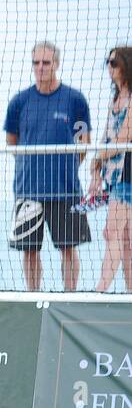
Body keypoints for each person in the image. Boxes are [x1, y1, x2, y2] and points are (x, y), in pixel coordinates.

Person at [4, 41, 91, 292]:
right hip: (28, 190)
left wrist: (65, 166)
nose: (40, 67)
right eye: (36, 63)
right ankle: (33, 297)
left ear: (57, 64)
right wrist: (32, 166)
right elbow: (12, 142)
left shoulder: (74, 100)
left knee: (68, 248)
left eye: (46, 62)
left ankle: (70, 298)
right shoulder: (19, 102)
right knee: (29, 251)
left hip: (65, 189)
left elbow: (84, 142)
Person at [90, 46, 132, 293]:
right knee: (125, 239)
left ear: (126, 65)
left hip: (128, 173)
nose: (109, 67)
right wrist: (96, 170)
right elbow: (107, 138)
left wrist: (98, 157)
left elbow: (122, 140)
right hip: (116, 174)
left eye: (114, 62)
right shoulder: (116, 98)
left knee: (112, 232)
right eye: (107, 61)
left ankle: (100, 291)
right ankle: (129, 293)